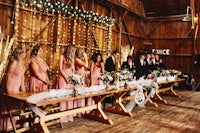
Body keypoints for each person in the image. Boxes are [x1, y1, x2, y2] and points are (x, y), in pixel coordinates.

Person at [1, 47, 26, 131]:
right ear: (20, 54)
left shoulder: (21, 63)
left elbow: (22, 76)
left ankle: (16, 125)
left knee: (16, 106)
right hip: (11, 86)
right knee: (10, 107)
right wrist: (8, 90)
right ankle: (7, 126)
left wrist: (22, 88)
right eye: (24, 53)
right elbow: (8, 76)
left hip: (17, 87)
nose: (25, 54)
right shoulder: (14, 62)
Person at [55, 44, 76, 123]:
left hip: (70, 78)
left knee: (69, 97)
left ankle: (69, 116)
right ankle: (62, 117)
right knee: (63, 98)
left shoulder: (72, 58)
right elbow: (60, 69)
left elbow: (73, 69)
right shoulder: (62, 56)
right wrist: (66, 78)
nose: (74, 52)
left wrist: (74, 77)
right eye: (73, 51)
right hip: (63, 78)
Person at [74, 48, 88, 116]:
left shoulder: (79, 59)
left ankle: (81, 110)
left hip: (82, 77)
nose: (83, 54)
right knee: (79, 93)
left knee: (82, 93)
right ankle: (77, 111)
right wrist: (86, 57)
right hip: (78, 78)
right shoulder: (77, 59)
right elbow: (86, 65)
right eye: (82, 52)